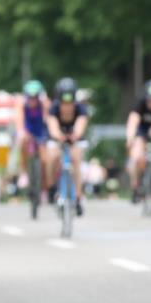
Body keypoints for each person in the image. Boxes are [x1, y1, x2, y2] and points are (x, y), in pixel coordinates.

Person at [46, 77, 90, 216]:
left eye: (70, 101)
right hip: (58, 137)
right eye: (64, 102)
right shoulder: (53, 108)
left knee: (76, 158)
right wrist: (60, 137)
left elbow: (80, 126)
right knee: (52, 157)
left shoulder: (81, 108)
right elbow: (52, 127)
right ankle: (52, 186)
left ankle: (77, 196)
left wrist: (74, 136)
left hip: (74, 138)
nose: (67, 105)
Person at [14, 79, 50, 201]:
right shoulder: (22, 104)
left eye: (35, 97)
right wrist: (21, 132)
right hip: (28, 130)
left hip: (41, 131)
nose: (33, 99)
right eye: (30, 97)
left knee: (45, 161)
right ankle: (24, 172)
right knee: (22, 142)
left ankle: (44, 189)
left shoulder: (44, 103)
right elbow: (19, 120)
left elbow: (48, 119)